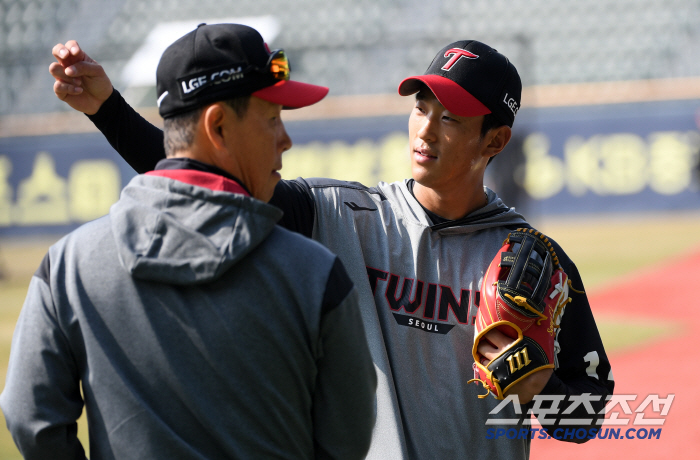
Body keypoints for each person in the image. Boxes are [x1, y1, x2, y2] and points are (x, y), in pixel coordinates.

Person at [49, 37, 614, 459]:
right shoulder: (342, 215)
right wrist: (107, 108)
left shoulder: (535, 262)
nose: (426, 130)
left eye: (452, 118)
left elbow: (589, 415)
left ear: (494, 140)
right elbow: (202, 178)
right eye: (421, 107)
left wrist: (540, 388)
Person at [1, 23, 377, 460]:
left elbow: (31, 418)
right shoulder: (316, 275)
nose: (285, 140)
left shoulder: (66, 266)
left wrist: (109, 110)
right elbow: (347, 440)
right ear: (218, 126)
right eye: (272, 119)